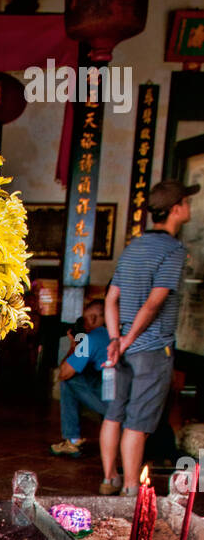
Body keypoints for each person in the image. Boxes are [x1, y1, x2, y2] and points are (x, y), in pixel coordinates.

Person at [99, 178, 198, 496]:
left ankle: (108, 479)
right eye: (186, 202)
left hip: (121, 348)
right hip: (151, 349)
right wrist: (127, 342)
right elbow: (155, 303)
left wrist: (116, 340)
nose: (189, 207)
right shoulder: (173, 250)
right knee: (137, 423)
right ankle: (130, 490)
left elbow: (110, 298)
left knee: (114, 414)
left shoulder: (134, 246)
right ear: (176, 209)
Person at [50, 298, 109, 456]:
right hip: (124, 397)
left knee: (68, 381)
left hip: (110, 402)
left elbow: (64, 373)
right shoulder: (111, 334)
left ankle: (72, 440)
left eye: (90, 317)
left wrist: (73, 347)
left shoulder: (91, 339)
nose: (90, 320)